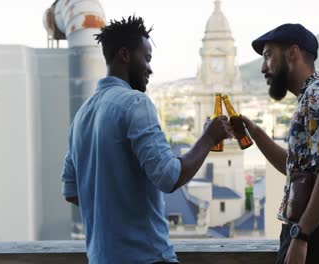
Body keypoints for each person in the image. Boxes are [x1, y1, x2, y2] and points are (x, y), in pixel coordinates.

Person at [61, 15, 232, 264]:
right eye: (147, 58)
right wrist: (208, 138)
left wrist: (113, 207)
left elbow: (71, 191)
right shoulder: (135, 103)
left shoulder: (81, 115)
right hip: (147, 256)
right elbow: (170, 176)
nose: (150, 68)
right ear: (125, 55)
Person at [241, 23, 319, 264]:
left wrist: (301, 235)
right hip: (308, 237)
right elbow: (296, 169)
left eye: (268, 55)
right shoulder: (309, 98)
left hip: (315, 241)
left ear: (292, 53)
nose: (263, 67)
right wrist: (254, 132)